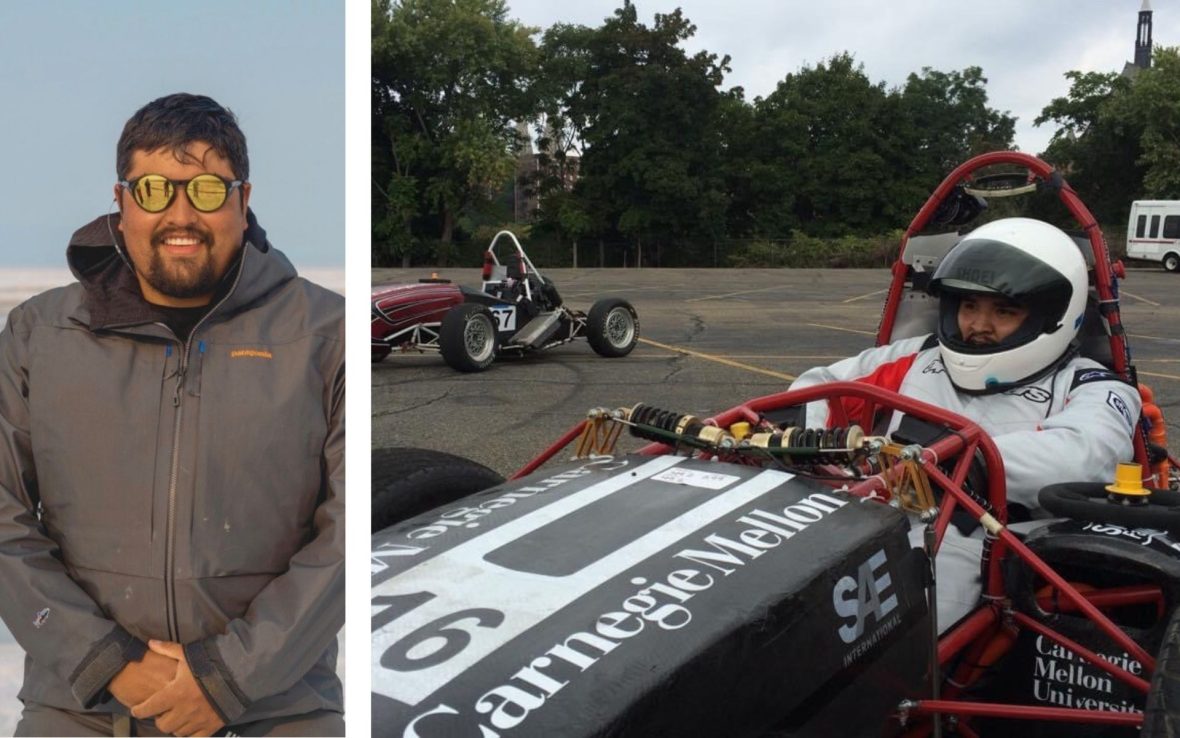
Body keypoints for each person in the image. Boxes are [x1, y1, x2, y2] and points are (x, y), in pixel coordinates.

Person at [0, 94, 344, 736]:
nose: (181, 215)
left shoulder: (325, 335)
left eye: (208, 190)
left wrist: (230, 677)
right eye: (154, 190)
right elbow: (4, 517)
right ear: (121, 200)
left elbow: (346, 536)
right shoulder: (38, 335)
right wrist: (108, 663)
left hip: (278, 707)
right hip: (80, 707)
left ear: (243, 200)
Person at [790, 217, 1142, 629]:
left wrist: (960, 461)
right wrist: (797, 439)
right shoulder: (917, 356)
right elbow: (819, 387)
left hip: (975, 541)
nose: (978, 325)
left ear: (1049, 316)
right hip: (863, 512)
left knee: (884, 621)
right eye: (969, 306)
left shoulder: (1089, 384)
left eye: (1004, 310)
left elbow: (1086, 453)